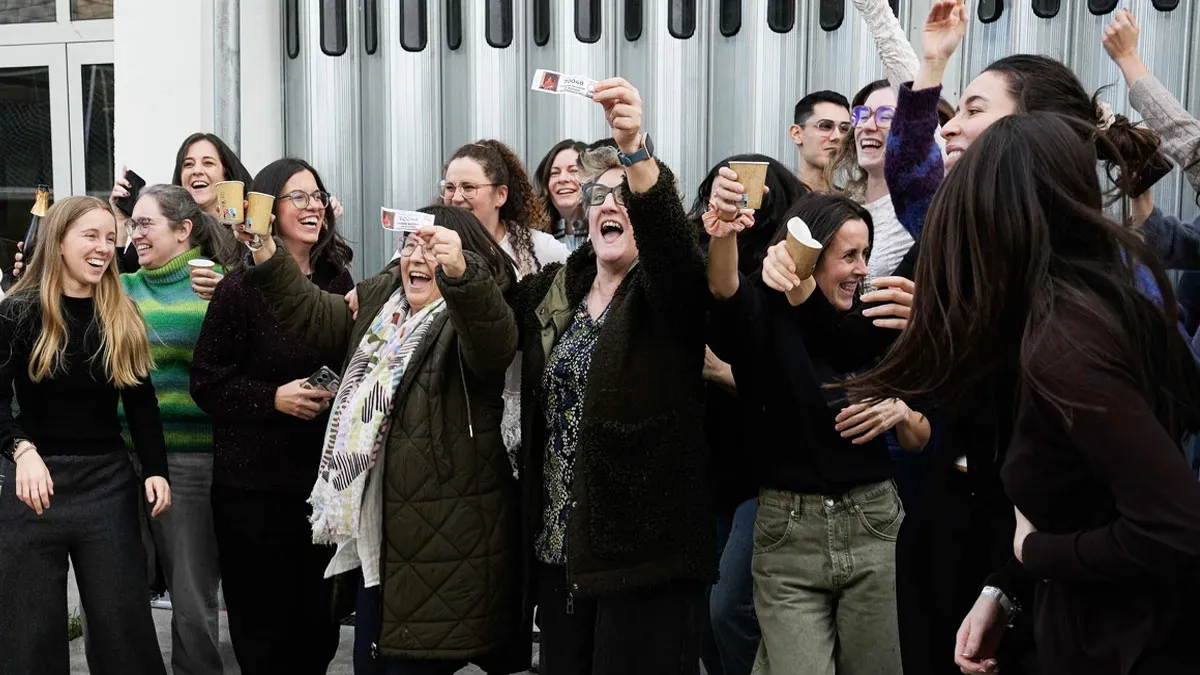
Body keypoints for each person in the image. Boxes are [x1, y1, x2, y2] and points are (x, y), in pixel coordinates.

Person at [850, 112, 1200, 674]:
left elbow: (1173, 527)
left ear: (998, 221)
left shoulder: (1068, 346)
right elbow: (1088, 499)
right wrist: (1007, 588)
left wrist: (1034, 552)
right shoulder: (1068, 312)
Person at [239, 204, 524, 674]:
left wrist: (460, 271)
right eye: (410, 245)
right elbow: (313, 313)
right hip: (379, 538)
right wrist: (265, 247)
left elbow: (494, 342)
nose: (417, 257)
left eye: (432, 248)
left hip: (439, 545)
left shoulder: (468, 317)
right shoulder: (382, 307)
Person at [517, 78, 715, 674]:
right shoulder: (560, 291)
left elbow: (674, 253)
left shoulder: (666, 292)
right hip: (562, 546)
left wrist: (634, 148)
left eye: (625, 195)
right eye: (599, 195)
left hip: (643, 555)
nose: (610, 204)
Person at [707, 186, 927, 675]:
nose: (862, 268)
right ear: (809, 252)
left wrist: (900, 412)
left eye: (866, 253)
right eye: (849, 255)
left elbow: (924, 434)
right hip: (789, 533)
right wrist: (723, 232)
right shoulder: (764, 311)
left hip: (874, 525)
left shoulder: (874, 320)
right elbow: (725, 291)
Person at [190, 158, 354, 675]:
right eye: (297, 197)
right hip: (254, 491)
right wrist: (273, 399)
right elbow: (207, 383)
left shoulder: (338, 280)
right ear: (266, 209)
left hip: (322, 486)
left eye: (317, 196)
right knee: (264, 638)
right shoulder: (240, 289)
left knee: (318, 632)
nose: (312, 206)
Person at [0, 195, 171, 674]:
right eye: (90, 236)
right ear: (58, 242)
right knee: (29, 634)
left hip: (106, 486)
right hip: (33, 487)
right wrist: (21, 450)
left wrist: (155, 469)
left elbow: (141, 402)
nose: (103, 248)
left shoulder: (122, 313)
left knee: (123, 628)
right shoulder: (18, 312)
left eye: (110, 238)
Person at [688, 154, 808, 675]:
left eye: (754, 195)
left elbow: (801, 387)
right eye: (729, 194)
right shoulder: (702, 260)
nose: (743, 206)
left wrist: (724, 374)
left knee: (730, 606)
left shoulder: (786, 278)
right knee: (702, 609)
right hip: (709, 464)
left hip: (766, 473)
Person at [121, 184, 234, 675]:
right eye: (133, 224)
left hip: (189, 458)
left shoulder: (216, 286)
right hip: (123, 457)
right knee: (119, 589)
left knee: (190, 594)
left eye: (146, 223)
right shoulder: (121, 287)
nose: (136, 233)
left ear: (184, 229)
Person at [443, 139, 569, 471]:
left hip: (518, 400)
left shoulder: (541, 249)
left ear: (500, 195)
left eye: (469, 187)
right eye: (450, 187)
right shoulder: (430, 242)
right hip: (453, 402)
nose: (456, 197)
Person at [789, 91, 852, 192]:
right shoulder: (776, 198)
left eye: (844, 128)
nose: (837, 136)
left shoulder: (853, 200)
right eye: (825, 126)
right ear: (796, 134)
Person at [534, 139, 590, 252]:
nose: (563, 178)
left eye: (574, 170)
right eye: (555, 173)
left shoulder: (606, 234)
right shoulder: (535, 241)